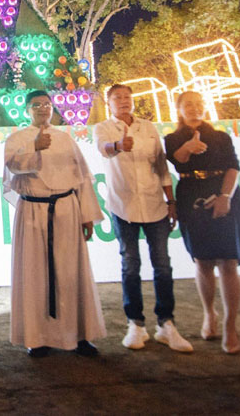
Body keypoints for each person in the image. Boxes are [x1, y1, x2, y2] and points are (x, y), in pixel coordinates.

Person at [3, 89, 106, 358]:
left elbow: (81, 177)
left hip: (66, 210)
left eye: (47, 104)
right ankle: (37, 337)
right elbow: (12, 168)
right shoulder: (17, 139)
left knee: (72, 272)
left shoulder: (65, 139)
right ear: (26, 109)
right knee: (35, 274)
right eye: (36, 105)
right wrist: (33, 148)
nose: (42, 109)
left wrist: (86, 215)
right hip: (33, 210)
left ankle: (79, 335)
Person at [96, 84, 193, 353]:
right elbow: (103, 149)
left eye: (127, 97)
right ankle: (135, 324)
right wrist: (118, 144)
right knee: (130, 265)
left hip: (154, 205)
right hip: (122, 206)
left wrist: (170, 200)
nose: (124, 101)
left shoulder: (148, 128)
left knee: (162, 265)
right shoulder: (103, 127)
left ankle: (166, 324)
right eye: (118, 98)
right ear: (109, 102)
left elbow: (161, 165)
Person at [164, 91, 240, 354]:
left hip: (224, 194)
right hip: (191, 196)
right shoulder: (171, 139)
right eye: (188, 104)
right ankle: (208, 314)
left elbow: (233, 167)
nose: (194, 108)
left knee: (228, 261)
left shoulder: (220, 137)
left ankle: (230, 325)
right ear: (178, 109)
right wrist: (187, 148)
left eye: (199, 104)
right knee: (202, 261)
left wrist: (225, 196)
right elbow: (175, 159)